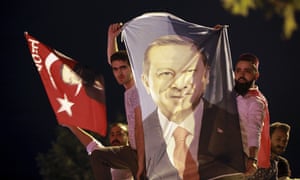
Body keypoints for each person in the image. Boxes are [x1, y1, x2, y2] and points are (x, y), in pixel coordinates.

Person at [141, 34, 245, 179]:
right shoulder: (141, 134)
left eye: (188, 72)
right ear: (146, 82)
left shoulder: (230, 125)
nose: (178, 84)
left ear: (206, 75)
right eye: (166, 73)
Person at [85, 22, 146, 180]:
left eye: (124, 68)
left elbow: (139, 127)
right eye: (115, 69)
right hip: (130, 150)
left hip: (143, 153)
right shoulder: (127, 88)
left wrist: (140, 162)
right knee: (97, 155)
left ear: (133, 68)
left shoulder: (139, 90)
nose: (119, 73)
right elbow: (113, 59)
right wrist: (111, 37)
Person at [234, 53, 271, 178]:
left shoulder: (256, 102)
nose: (241, 74)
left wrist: (252, 158)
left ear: (256, 75)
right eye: (238, 70)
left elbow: (254, 131)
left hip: (240, 161)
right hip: (220, 155)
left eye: (247, 71)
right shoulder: (230, 95)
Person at [66, 123, 134, 180]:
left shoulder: (131, 155)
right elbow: (91, 143)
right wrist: (71, 126)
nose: (115, 137)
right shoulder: (105, 156)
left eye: (119, 134)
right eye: (112, 135)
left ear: (128, 136)